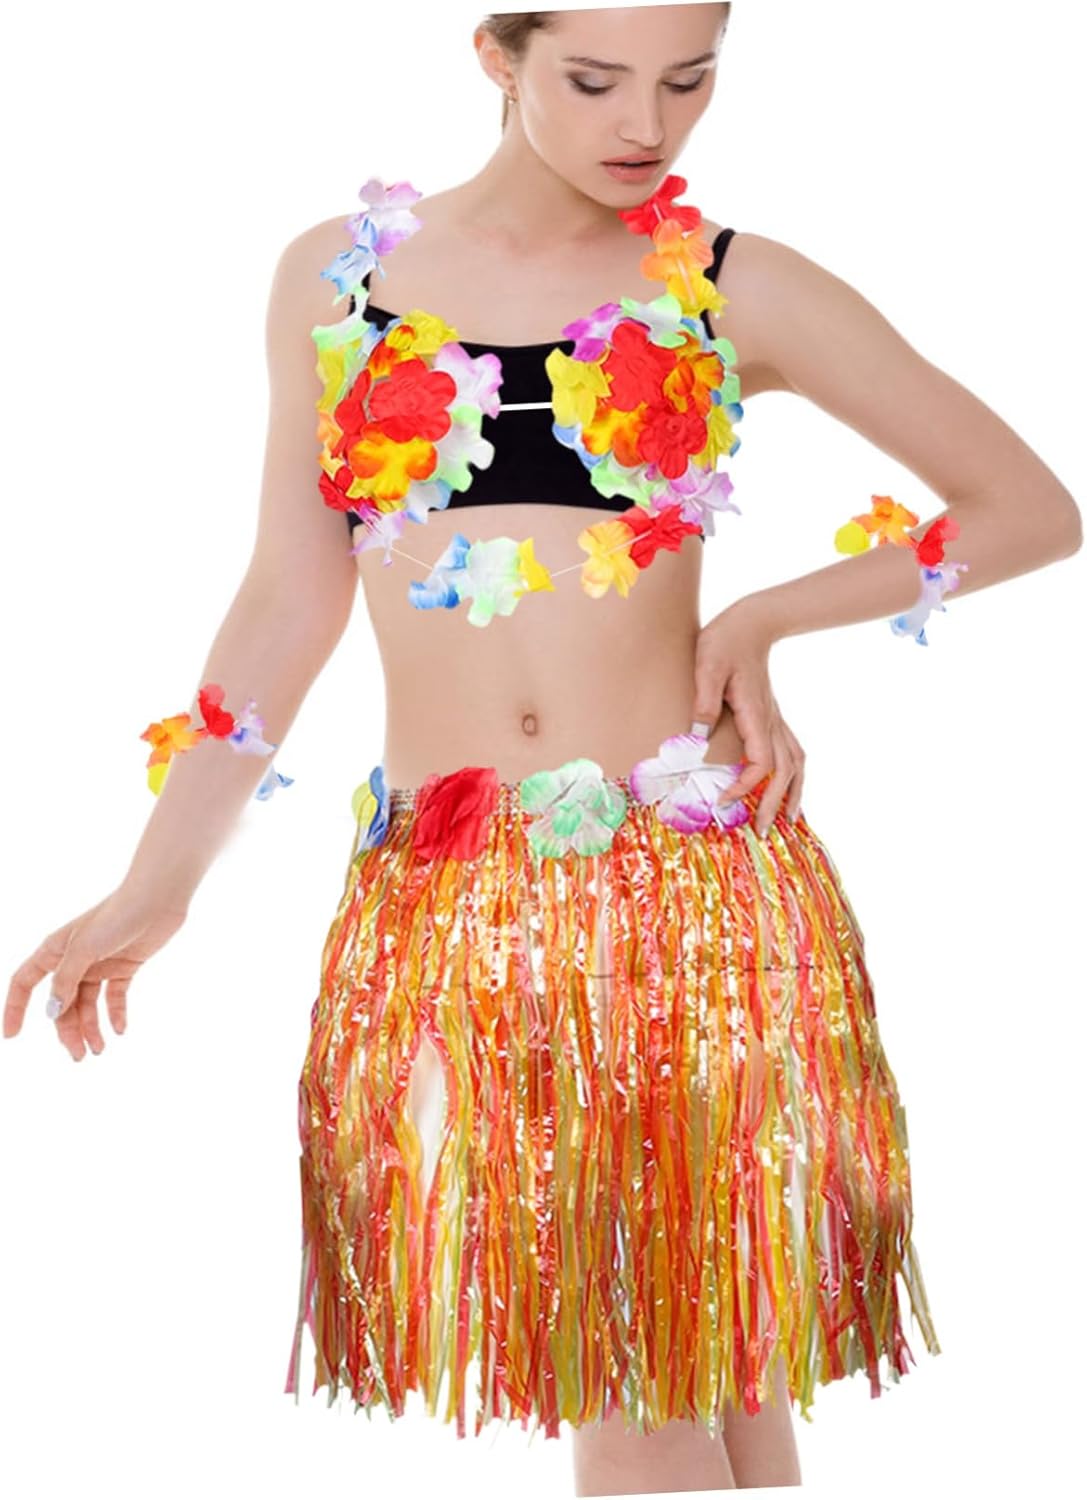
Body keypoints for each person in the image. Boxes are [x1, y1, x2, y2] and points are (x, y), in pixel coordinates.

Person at [4, 4, 1081, 1496]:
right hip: (454, 896)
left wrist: (763, 617)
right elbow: (286, 600)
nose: (647, 124)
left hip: (687, 887)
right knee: (679, 1380)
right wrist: (157, 885)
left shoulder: (730, 284)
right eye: (594, 78)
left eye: (689, 79)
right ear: (497, 58)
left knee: (663, 1380)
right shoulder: (337, 278)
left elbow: (1031, 509)